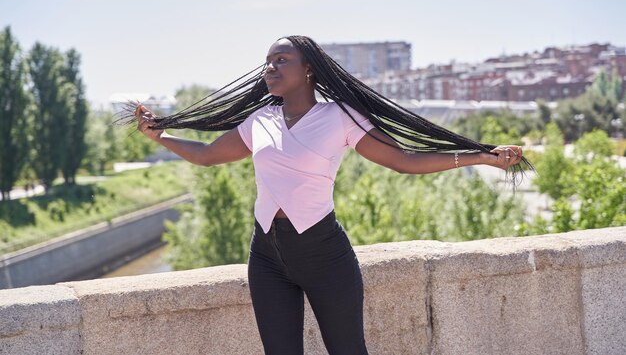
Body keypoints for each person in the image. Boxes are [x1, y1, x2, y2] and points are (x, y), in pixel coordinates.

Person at [133, 35, 525, 355]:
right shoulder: (260, 120)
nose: (270, 67)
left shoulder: (340, 116)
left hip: (325, 256)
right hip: (266, 257)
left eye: (281, 59)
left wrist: (482, 157)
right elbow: (206, 155)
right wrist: (160, 137)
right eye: (267, 61)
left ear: (308, 69)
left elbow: (403, 160)